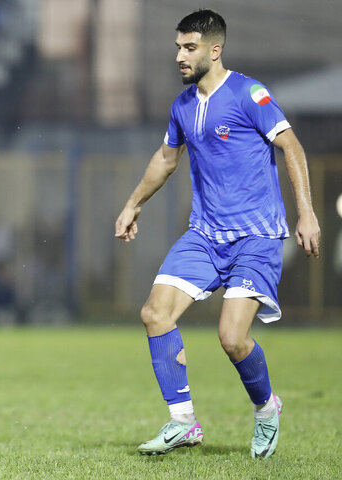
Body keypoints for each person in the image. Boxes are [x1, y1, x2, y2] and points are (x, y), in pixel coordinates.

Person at [114, 10, 320, 458]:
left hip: (256, 237)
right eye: (177, 47)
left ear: (214, 50)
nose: (179, 56)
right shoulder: (183, 105)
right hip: (205, 235)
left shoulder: (250, 94)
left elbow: (291, 146)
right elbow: (166, 160)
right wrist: (132, 205)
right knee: (155, 314)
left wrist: (305, 212)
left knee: (232, 338)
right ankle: (183, 423)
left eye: (189, 48)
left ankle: (266, 408)